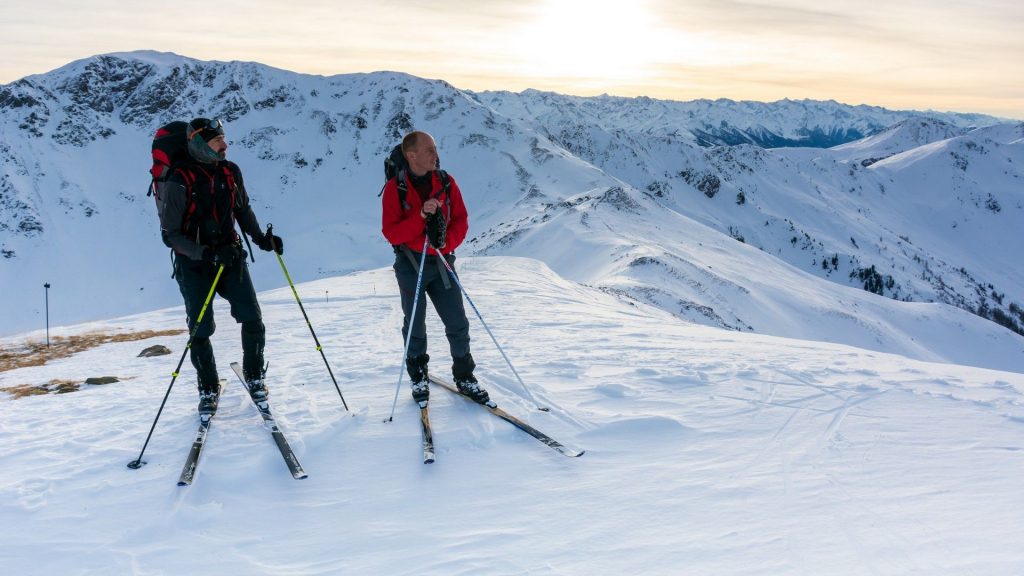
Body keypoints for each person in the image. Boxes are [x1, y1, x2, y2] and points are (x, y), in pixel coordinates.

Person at [159, 117, 283, 414]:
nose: (225, 146)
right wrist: (206, 254)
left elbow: (242, 209)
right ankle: (208, 387)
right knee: (200, 329)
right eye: (218, 141)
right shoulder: (179, 179)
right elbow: (170, 235)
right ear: (201, 145)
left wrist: (262, 239)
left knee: (252, 318)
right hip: (195, 264)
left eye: (224, 139)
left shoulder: (230, 172)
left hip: (231, 256)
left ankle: (255, 376)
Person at [381, 130, 490, 405]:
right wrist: (420, 217)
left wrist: (444, 243)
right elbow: (392, 234)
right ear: (411, 155)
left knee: (457, 322)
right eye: (429, 149)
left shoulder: (446, 181)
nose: (435, 154)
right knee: (415, 324)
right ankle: (418, 375)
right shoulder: (396, 189)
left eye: (435, 148)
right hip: (410, 265)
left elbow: (461, 220)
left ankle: (465, 375)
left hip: (441, 261)